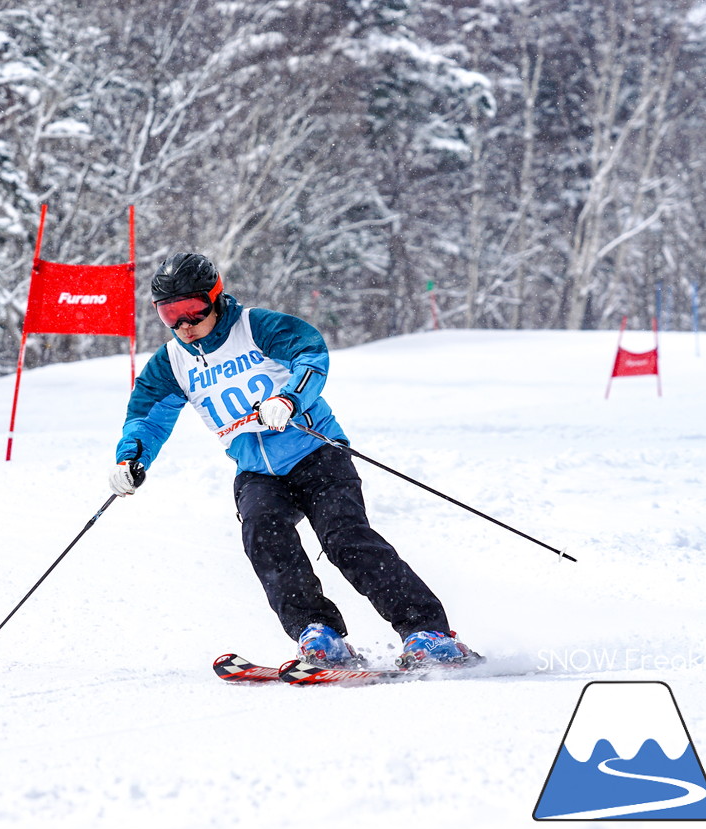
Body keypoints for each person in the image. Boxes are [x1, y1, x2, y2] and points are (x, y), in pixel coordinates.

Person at [108, 252, 476, 669]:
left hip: (316, 453)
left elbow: (311, 354)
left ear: (215, 297)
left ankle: (427, 631)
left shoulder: (256, 327)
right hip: (256, 471)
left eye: (192, 310)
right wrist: (130, 459)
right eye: (169, 314)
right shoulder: (172, 362)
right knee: (264, 536)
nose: (183, 325)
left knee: (345, 539)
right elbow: (146, 416)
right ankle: (318, 634)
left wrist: (289, 399)